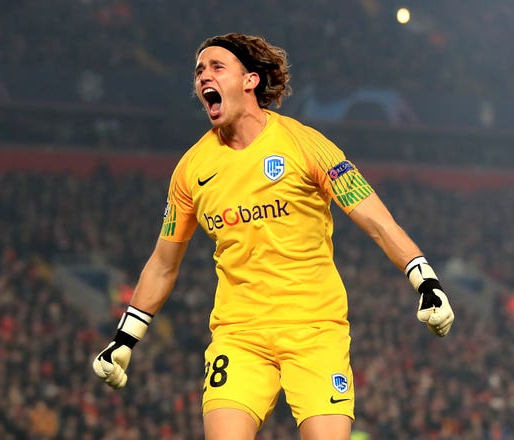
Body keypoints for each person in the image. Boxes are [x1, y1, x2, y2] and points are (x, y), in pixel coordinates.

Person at [92, 32, 455, 440]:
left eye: (216, 67)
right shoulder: (191, 170)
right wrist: (125, 338)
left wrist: (424, 279)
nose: (203, 77)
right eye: (198, 71)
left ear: (249, 80)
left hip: (315, 329)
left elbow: (377, 221)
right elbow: (163, 262)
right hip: (239, 334)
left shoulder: (306, 145)